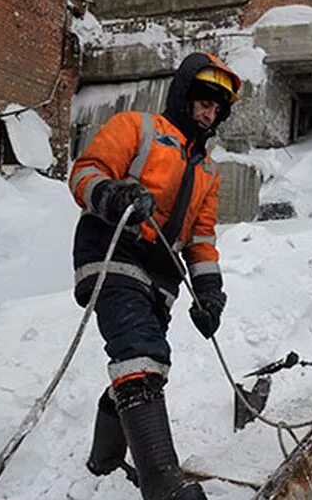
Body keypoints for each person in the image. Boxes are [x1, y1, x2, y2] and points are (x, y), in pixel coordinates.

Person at [67, 52, 241, 500]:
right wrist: (112, 194)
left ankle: (103, 462)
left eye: (218, 107)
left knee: (143, 367)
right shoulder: (136, 127)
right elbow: (86, 173)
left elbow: (201, 238)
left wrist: (210, 294)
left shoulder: (207, 170)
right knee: (140, 355)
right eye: (204, 100)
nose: (210, 112)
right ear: (184, 95)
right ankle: (163, 489)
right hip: (112, 247)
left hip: (161, 273)